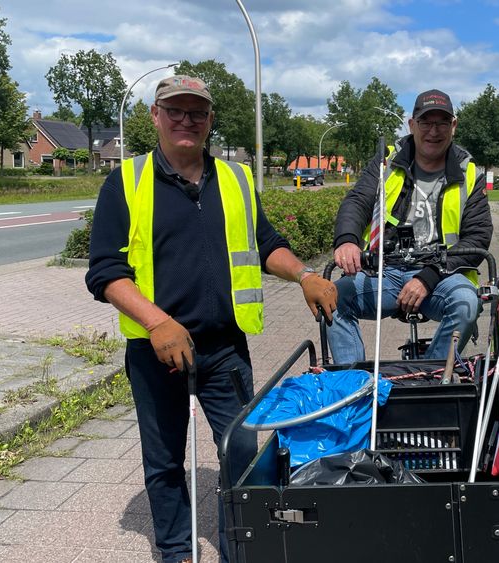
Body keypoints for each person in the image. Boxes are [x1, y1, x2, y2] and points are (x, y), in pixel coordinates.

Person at [85, 75, 337, 563]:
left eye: (196, 112)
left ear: (210, 120)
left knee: (242, 454)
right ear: (155, 116)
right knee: (163, 463)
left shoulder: (237, 180)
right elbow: (106, 272)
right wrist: (158, 322)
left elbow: (266, 245)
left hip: (225, 349)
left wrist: (303, 274)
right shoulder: (126, 182)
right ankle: (177, 552)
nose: (186, 120)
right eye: (175, 110)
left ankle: (239, 548)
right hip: (157, 352)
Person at [329, 89, 493, 364]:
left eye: (442, 122)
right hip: (386, 271)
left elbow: (478, 237)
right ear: (412, 124)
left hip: (441, 275)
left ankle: (429, 376)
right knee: (331, 298)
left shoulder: (469, 174)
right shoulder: (386, 163)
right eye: (426, 122)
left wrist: (428, 277)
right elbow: (357, 200)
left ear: (453, 126)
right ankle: (353, 385)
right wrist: (346, 240)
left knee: (467, 303)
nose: (434, 131)